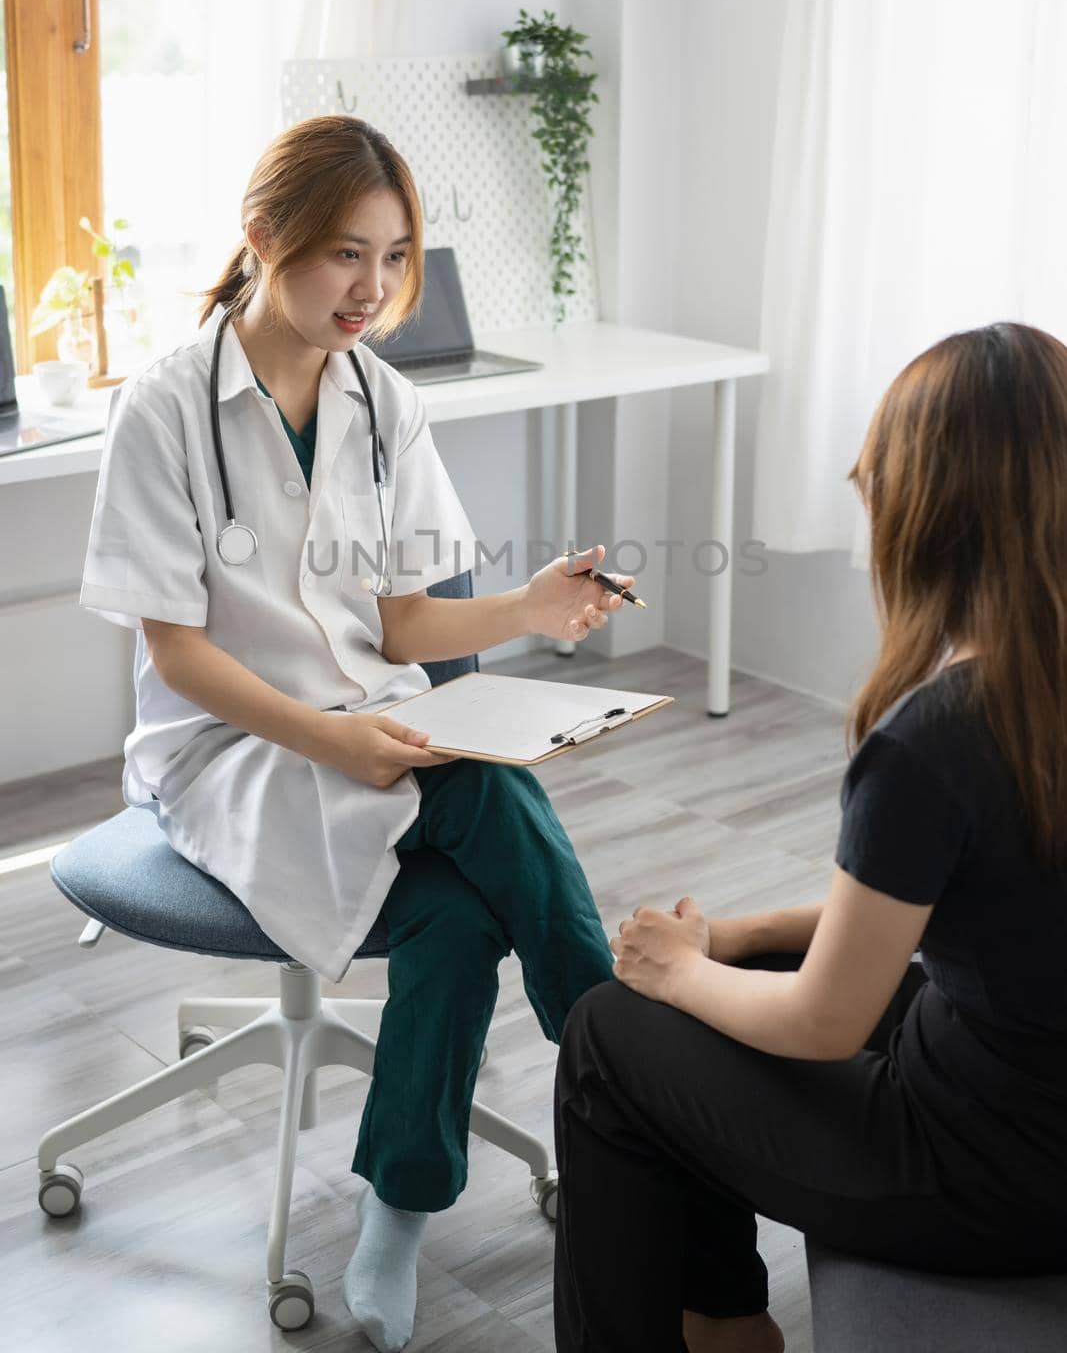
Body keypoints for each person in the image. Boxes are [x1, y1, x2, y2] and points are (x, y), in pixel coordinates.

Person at [78, 113, 629, 1353]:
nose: (373, 289)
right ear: (265, 237)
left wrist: (532, 607)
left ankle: (398, 1203)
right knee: (485, 801)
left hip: (373, 724)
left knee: (455, 912)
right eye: (343, 254)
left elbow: (403, 619)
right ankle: (623, 1085)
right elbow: (180, 654)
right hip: (231, 751)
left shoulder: (381, 401)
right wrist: (334, 745)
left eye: (394, 256)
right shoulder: (163, 408)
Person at [553, 321, 1067, 1353]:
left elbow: (826, 1025)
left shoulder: (935, 741)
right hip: (1033, 1097)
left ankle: (705, 1322)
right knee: (730, 973)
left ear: (921, 513)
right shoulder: (1028, 699)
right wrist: (734, 941)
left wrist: (674, 972)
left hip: (984, 1180)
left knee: (612, 1032)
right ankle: (721, 1321)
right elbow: (971, 907)